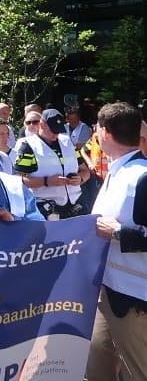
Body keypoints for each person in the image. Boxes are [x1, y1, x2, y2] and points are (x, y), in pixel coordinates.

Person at [86, 103, 147, 381]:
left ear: (105, 133)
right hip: (105, 294)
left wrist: (119, 232)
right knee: (95, 371)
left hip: (135, 303)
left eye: (97, 129)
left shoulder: (141, 177)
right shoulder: (116, 172)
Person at [14, 108, 90, 220]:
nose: (56, 134)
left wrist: (80, 178)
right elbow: (18, 179)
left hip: (76, 204)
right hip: (47, 207)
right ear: (41, 124)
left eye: (58, 130)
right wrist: (46, 181)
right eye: (52, 130)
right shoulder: (28, 146)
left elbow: (85, 170)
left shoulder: (68, 142)